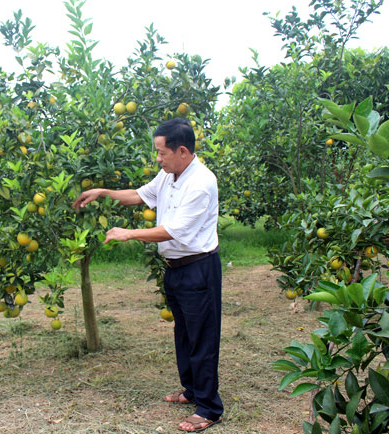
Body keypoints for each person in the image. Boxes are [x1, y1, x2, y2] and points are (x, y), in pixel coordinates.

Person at [72, 117, 223, 432]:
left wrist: (129, 233)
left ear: (182, 151)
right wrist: (103, 192)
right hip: (176, 269)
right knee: (183, 333)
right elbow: (139, 195)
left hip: (198, 268)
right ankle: (192, 390)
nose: (158, 158)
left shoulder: (201, 182)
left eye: (161, 153)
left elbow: (173, 230)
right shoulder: (170, 175)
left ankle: (209, 408)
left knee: (202, 336)